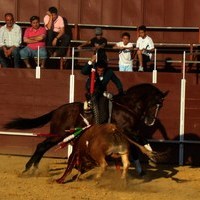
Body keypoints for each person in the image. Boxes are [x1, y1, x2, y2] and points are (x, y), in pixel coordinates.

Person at [81, 55, 123, 124]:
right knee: (94, 105)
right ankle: (96, 123)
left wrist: (120, 90)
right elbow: (83, 71)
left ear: (105, 69)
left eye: (102, 71)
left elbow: (117, 81)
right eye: (98, 70)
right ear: (96, 68)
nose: (100, 72)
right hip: (92, 93)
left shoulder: (109, 72)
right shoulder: (93, 69)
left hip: (102, 94)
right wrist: (91, 61)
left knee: (104, 109)